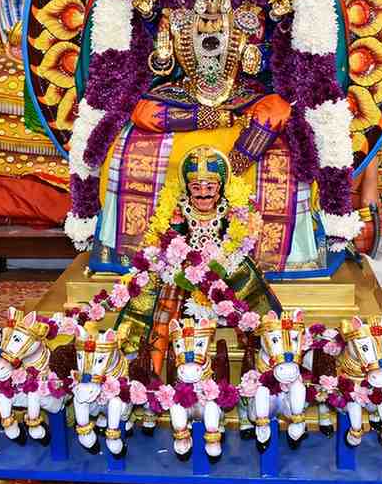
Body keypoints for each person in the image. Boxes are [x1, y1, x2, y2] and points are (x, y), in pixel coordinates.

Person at [130, 0, 292, 177]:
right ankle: (212, 121)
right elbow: (163, 66)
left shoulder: (247, 15)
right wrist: (162, 56)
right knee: (143, 113)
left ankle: (232, 170)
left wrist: (256, 56)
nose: (210, 4)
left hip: (237, 92)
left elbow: (268, 56)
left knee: (278, 108)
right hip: (190, 92)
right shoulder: (176, 16)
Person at [117, 146, 280, 373]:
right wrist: (180, 259)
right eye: (196, 187)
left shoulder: (231, 209)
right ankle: (145, 365)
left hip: (223, 263)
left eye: (210, 187)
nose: (203, 193)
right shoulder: (179, 208)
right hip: (183, 265)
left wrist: (221, 260)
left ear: (221, 187)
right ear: (187, 189)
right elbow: (168, 236)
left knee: (247, 290)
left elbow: (238, 236)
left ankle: (266, 354)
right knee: (158, 296)